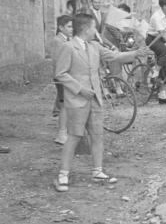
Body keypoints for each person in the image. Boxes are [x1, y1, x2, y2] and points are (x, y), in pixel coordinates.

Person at [53, 14, 149, 192]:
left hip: (95, 99)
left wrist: (136, 53)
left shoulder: (95, 46)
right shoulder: (68, 47)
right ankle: (63, 174)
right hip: (77, 100)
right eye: (94, 28)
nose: (96, 31)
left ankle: (97, 171)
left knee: (97, 135)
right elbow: (60, 74)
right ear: (86, 29)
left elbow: (114, 56)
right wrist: (79, 89)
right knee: (74, 136)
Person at [148, 0, 166, 104]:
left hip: (163, 38)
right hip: (153, 39)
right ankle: (155, 72)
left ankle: (162, 95)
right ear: (164, 6)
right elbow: (162, 33)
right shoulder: (156, 16)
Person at [52, 15, 73, 145]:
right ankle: (61, 133)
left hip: (67, 77)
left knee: (66, 105)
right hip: (61, 78)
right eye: (69, 26)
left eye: (72, 26)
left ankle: (65, 131)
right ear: (61, 27)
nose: (72, 29)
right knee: (64, 105)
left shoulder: (66, 40)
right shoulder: (57, 41)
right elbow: (57, 62)